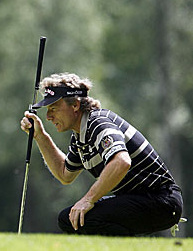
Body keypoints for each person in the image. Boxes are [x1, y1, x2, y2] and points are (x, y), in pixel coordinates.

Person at [20, 72, 183, 236]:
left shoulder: (98, 123)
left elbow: (121, 162)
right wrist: (40, 136)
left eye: (53, 108)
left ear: (75, 105)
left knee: (86, 218)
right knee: (68, 219)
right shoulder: (80, 136)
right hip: (142, 199)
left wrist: (88, 199)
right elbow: (64, 174)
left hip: (162, 200)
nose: (48, 116)